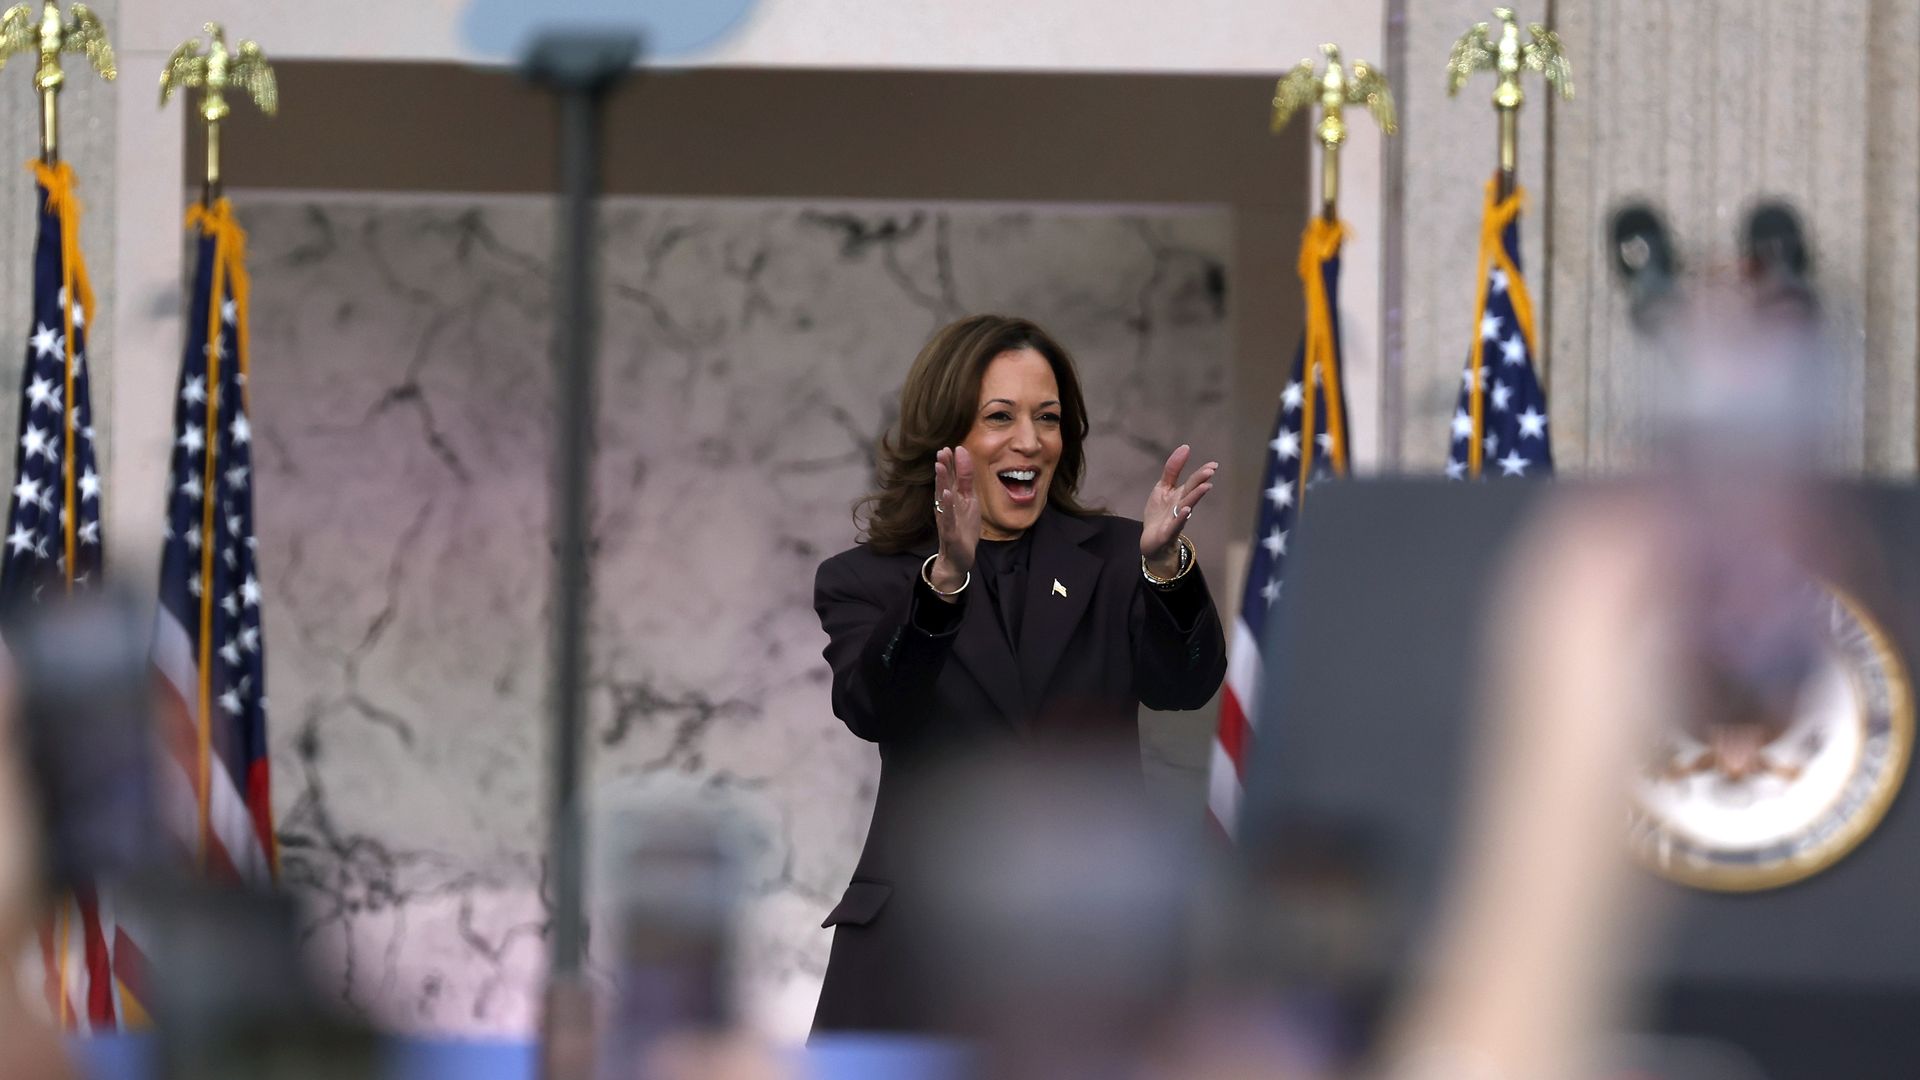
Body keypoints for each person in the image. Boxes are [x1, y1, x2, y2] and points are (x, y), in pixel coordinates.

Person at [810, 313, 1228, 1035]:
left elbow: (1185, 685)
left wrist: (1166, 570)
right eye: (1000, 416)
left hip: (1091, 954)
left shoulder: (1121, 556)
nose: (1030, 441)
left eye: (1048, 418)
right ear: (946, 437)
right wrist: (942, 585)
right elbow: (872, 707)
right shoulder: (867, 579)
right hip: (917, 958)